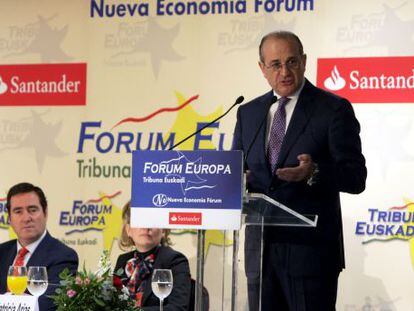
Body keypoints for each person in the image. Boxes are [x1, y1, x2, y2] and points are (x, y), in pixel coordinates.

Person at [232, 31, 367, 310]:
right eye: (275, 64)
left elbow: (356, 177)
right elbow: (236, 169)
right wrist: (235, 181)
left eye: (292, 62)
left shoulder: (332, 109)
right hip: (260, 252)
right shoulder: (248, 113)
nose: (285, 71)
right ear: (262, 69)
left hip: (311, 254)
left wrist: (314, 172)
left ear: (304, 62)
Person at [0, 182, 79, 310]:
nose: (26, 218)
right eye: (18, 211)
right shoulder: (1, 252)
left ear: (45, 212)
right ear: (9, 218)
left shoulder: (64, 256)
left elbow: (47, 305)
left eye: (32, 210)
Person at [114, 201, 191, 310]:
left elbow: (178, 308)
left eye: (152, 220)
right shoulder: (123, 261)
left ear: (163, 230)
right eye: (140, 220)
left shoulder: (175, 260)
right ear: (128, 230)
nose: (146, 227)